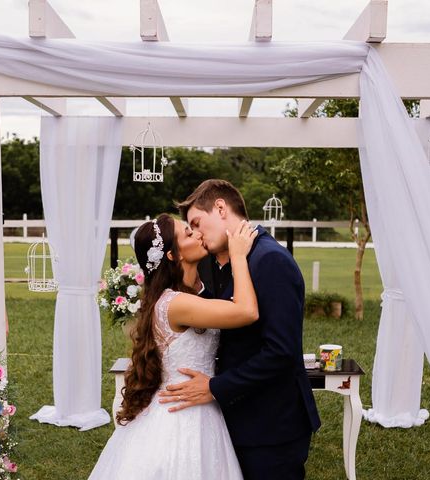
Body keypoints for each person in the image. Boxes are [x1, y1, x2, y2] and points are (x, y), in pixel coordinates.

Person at [159, 179, 320, 480]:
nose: (196, 234)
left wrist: (214, 387)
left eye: (196, 222)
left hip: (271, 426)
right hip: (235, 422)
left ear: (220, 208)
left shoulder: (269, 260)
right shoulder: (224, 262)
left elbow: (281, 352)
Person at [88, 213, 258, 479]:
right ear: (172, 255)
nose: (199, 234)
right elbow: (247, 311)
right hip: (182, 414)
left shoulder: (193, 292)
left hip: (200, 405)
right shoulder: (175, 303)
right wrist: (238, 257)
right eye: (188, 234)